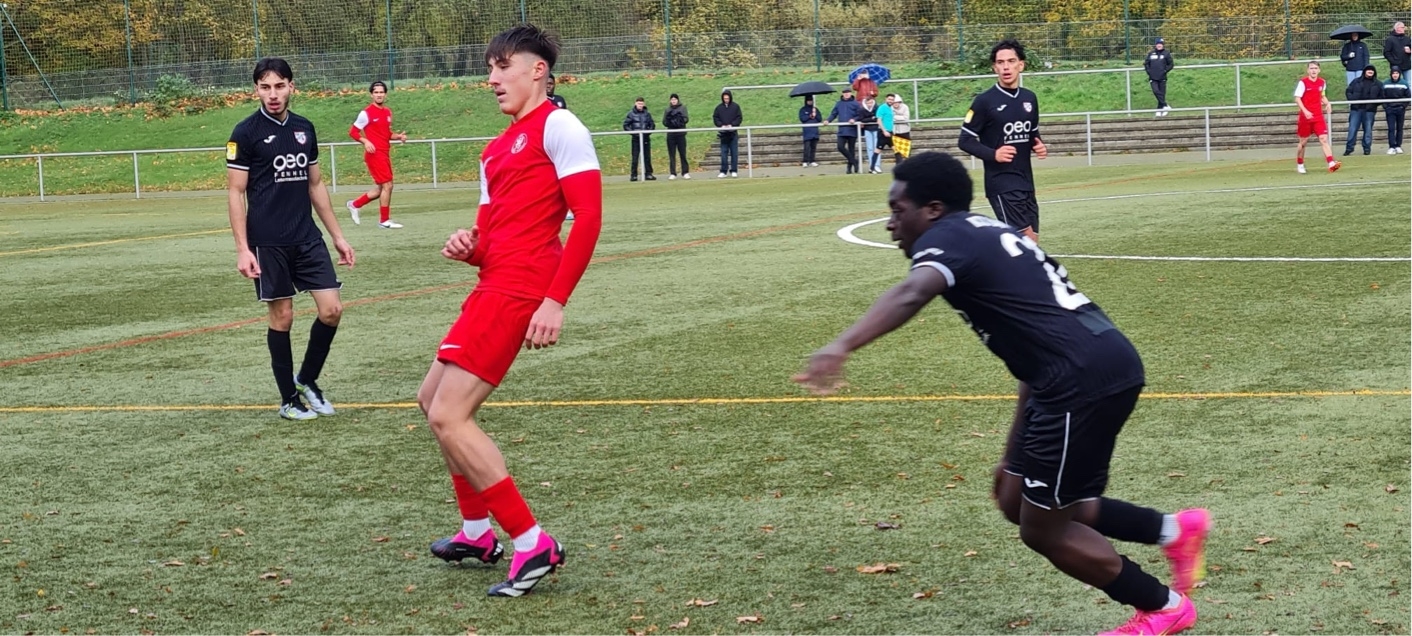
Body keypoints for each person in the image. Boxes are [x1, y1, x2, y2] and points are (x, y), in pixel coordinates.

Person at [794, 150, 1209, 636]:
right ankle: (1174, 530)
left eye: (897, 210)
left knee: (1043, 529)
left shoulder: (947, 238)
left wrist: (841, 345)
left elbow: (912, 293)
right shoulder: (982, 231)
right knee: (1015, 497)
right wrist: (1014, 452)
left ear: (933, 209)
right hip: (1067, 375)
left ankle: (1163, 607)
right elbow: (1030, 358)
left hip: (1081, 381)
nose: (890, 224)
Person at [422, 24, 602, 598]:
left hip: (522, 288)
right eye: (490, 68)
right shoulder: (495, 149)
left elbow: (588, 218)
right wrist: (468, 247)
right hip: (494, 282)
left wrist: (555, 300)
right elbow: (489, 239)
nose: (492, 78)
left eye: (503, 66)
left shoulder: (560, 126)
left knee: (450, 414)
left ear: (537, 70)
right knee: (431, 400)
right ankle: (477, 534)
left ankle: (531, 541)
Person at [225, 57, 355, 421]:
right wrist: (242, 249)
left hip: (306, 237)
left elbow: (316, 184)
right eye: (265, 87)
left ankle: (307, 380)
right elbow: (235, 192)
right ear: (256, 90)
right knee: (282, 317)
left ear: (291, 87)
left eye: (279, 86)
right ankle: (288, 400)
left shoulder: (304, 128)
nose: (273, 94)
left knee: (332, 310)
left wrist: (338, 236)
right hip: (268, 241)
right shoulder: (245, 133)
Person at [958, 39, 1048, 242]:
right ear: (994, 67)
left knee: (1030, 243)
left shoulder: (1029, 98)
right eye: (1000, 62)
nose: (1006, 67)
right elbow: (965, 140)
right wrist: (994, 154)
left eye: (1011, 61)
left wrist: (1038, 145)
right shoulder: (984, 101)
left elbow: (1032, 132)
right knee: (1026, 242)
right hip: (1001, 183)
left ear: (1021, 65)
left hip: (1026, 181)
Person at [346, 80, 408, 229]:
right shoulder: (366, 113)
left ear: (385, 94)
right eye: (376, 92)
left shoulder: (387, 112)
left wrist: (398, 136)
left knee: (383, 188)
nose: (379, 95)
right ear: (371, 95)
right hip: (374, 155)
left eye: (381, 92)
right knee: (388, 185)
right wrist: (365, 141)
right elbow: (353, 132)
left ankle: (355, 204)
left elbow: (386, 134)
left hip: (384, 153)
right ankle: (384, 221)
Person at [1294, 61, 1342, 174]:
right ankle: (1300, 163)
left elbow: (1322, 96)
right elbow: (1297, 98)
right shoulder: (1303, 83)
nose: (1313, 70)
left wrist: (1328, 103)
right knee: (1303, 143)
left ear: (1319, 70)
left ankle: (1331, 163)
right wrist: (1305, 111)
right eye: (1311, 68)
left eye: (1315, 68)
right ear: (1308, 70)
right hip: (1305, 117)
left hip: (1318, 116)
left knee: (1323, 139)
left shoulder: (1322, 82)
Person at [1344, 65, 1382, 156]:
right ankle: (1349, 148)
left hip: (1369, 110)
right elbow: (1348, 91)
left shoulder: (1378, 84)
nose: (1370, 72)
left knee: (1368, 130)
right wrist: (1352, 100)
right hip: (1356, 109)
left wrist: (1374, 104)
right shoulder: (1356, 81)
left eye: (1372, 70)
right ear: (1364, 71)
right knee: (1352, 129)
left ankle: (1367, 148)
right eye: (1368, 70)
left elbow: (1382, 96)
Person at [826, 88, 862, 174]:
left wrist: (854, 119)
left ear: (851, 93)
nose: (846, 94)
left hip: (852, 130)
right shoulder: (839, 104)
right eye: (845, 93)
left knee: (851, 149)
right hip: (842, 130)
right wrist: (828, 120)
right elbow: (834, 113)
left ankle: (849, 168)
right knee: (840, 147)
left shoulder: (856, 103)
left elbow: (860, 115)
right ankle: (854, 161)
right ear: (842, 94)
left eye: (848, 92)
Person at [623, 96, 656, 181]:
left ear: (644, 104)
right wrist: (633, 133)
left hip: (645, 139)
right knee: (635, 157)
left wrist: (648, 133)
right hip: (636, 139)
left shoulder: (647, 114)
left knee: (647, 157)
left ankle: (648, 174)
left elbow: (652, 124)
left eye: (641, 104)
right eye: (639, 103)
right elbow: (626, 125)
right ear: (635, 104)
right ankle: (634, 175)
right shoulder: (631, 114)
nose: (640, 105)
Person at [713, 89, 742, 177]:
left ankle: (734, 170)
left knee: (734, 153)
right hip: (723, 134)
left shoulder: (736, 107)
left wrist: (732, 125)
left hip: (733, 133)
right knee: (723, 153)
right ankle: (723, 171)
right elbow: (715, 117)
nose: (726, 100)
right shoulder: (719, 108)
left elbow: (739, 118)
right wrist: (721, 125)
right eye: (725, 98)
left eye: (727, 98)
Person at [1144, 38, 1174, 115]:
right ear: (1156, 45)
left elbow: (1171, 64)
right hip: (1153, 77)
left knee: (1162, 94)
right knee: (1156, 91)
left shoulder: (1166, 53)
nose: (1159, 45)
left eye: (1160, 44)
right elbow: (1146, 63)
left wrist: (1165, 71)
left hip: (1162, 77)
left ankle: (1159, 110)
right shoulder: (1151, 53)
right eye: (1158, 44)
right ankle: (1165, 105)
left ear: (1163, 45)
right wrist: (1149, 72)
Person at [663, 93, 690, 179]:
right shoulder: (667, 109)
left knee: (683, 153)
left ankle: (685, 172)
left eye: (675, 99)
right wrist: (670, 121)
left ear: (677, 100)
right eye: (672, 99)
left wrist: (679, 121)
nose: (673, 101)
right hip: (671, 134)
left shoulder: (683, 108)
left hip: (680, 134)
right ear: (670, 100)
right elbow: (664, 122)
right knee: (672, 154)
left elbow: (686, 119)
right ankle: (673, 173)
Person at [1383, 67, 1408, 154]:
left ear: (1399, 74)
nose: (1395, 75)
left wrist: (1403, 106)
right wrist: (1386, 107)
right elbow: (1383, 96)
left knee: (1399, 128)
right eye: (1394, 73)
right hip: (1390, 109)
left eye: (1397, 73)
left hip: (1400, 109)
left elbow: (1408, 96)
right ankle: (1391, 146)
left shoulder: (1404, 83)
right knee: (1391, 128)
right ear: (1391, 74)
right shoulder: (1386, 83)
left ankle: (1398, 145)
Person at [1383, 23, 1410, 88]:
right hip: (1395, 66)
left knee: (1409, 83)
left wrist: (1409, 51)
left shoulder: (1407, 39)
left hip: (1407, 65)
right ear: (1397, 28)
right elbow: (1386, 52)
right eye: (1402, 27)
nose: (1404, 29)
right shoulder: (1390, 39)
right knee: (1396, 82)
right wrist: (1393, 61)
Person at [859, 97, 881, 174]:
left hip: (876, 129)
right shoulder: (862, 109)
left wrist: (869, 119)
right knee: (870, 148)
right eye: (868, 103)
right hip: (867, 129)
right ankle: (871, 165)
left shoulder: (877, 108)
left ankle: (877, 165)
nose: (869, 104)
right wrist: (871, 118)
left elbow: (877, 118)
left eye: (871, 103)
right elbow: (862, 119)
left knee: (877, 147)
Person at [888, 93, 912, 163]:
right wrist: (900, 117)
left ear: (900, 102)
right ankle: (899, 164)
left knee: (907, 149)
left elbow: (906, 118)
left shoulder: (905, 107)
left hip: (905, 130)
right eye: (894, 103)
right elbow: (889, 118)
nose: (895, 104)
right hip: (895, 131)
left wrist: (895, 117)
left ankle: (908, 164)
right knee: (897, 150)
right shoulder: (890, 108)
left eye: (897, 102)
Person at [799, 96, 822, 167]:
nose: (810, 102)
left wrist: (815, 114)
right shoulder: (803, 110)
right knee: (807, 147)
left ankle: (812, 160)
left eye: (811, 100)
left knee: (813, 147)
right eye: (808, 100)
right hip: (807, 131)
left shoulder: (815, 109)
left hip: (815, 131)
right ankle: (805, 161)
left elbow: (819, 119)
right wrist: (810, 116)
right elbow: (802, 119)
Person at [875, 95, 895, 171]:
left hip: (890, 132)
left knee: (896, 149)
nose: (891, 101)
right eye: (889, 99)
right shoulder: (882, 108)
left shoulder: (891, 108)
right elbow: (879, 120)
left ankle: (900, 166)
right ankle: (872, 167)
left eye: (892, 99)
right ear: (886, 99)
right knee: (878, 150)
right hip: (883, 132)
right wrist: (884, 131)